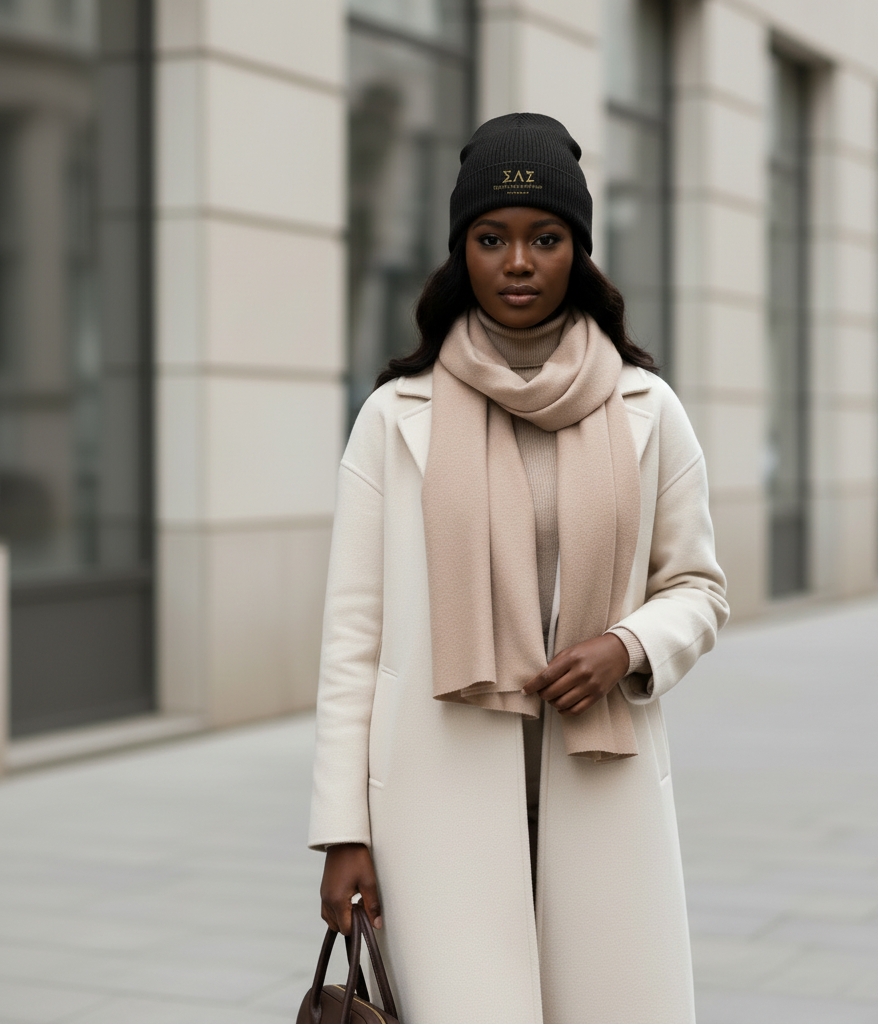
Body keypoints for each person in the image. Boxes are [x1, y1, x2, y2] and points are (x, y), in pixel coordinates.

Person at [309, 112, 728, 1023]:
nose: (520, 262)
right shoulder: (395, 416)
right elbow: (354, 636)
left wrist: (627, 646)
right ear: (462, 253)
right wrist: (343, 832)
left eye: (546, 237)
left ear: (579, 250)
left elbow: (697, 588)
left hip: (599, 784)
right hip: (438, 794)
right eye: (492, 239)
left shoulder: (646, 408)